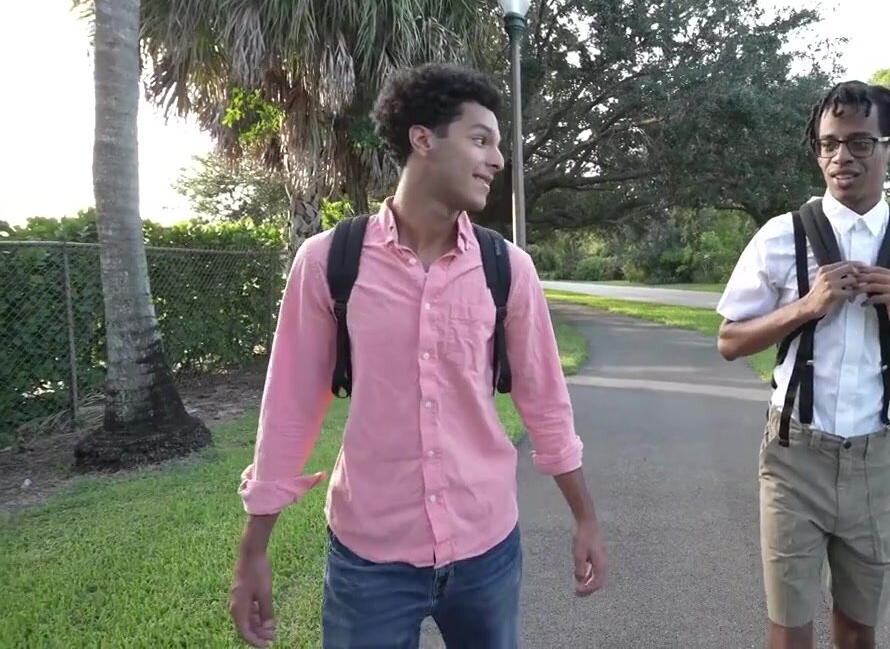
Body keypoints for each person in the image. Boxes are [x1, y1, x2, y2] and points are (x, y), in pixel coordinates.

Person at [227, 63, 607, 649]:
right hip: (368, 558)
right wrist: (253, 550)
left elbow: (546, 403)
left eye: (497, 145)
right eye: (480, 140)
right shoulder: (329, 261)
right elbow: (289, 407)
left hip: (486, 548)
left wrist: (585, 519)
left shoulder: (508, 268)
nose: (497, 160)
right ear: (423, 139)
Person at [715, 80, 890, 649]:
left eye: (860, 143)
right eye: (828, 144)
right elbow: (731, 341)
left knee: (860, 628)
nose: (841, 157)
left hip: (874, 459)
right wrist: (806, 307)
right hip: (794, 454)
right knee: (789, 625)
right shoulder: (781, 236)